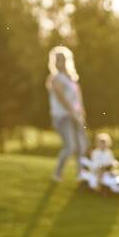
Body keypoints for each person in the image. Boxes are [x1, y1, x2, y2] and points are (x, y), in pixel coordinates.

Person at [47, 45, 90, 182]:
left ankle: (81, 174)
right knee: (71, 146)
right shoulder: (55, 78)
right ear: (55, 62)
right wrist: (72, 112)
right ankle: (57, 173)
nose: (62, 62)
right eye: (59, 59)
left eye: (64, 59)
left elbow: (77, 97)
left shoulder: (71, 78)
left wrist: (80, 112)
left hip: (76, 116)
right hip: (63, 117)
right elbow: (61, 97)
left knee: (82, 145)